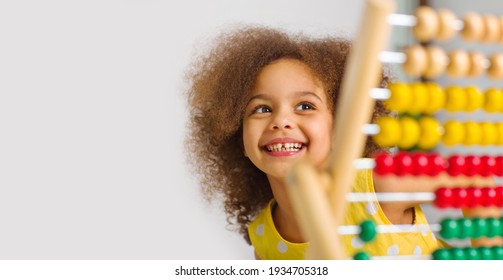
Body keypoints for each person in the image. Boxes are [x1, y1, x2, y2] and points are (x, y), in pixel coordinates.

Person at [184, 25, 443, 260]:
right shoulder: (263, 237)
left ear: (342, 125)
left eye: (305, 106)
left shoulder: (377, 187)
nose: (281, 121)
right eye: (261, 109)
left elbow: (471, 179)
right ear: (238, 137)